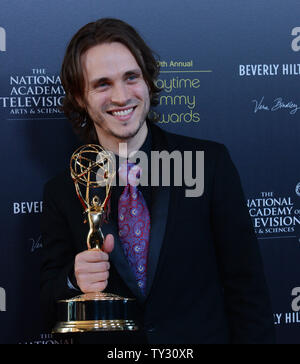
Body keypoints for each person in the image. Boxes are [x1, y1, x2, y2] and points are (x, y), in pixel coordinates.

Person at [40, 18, 276, 344]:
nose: (122, 96)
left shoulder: (209, 165)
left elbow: (248, 290)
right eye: (102, 84)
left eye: (131, 77)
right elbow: (45, 303)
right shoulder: (62, 190)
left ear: (148, 81)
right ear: (80, 97)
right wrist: (72, 279)